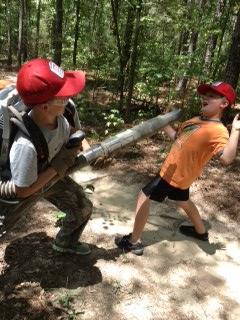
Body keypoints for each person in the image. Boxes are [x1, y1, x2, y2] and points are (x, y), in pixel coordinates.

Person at [115, 81, 240, 255]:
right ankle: (201, 232)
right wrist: (164, 122)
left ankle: (133, 242)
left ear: (224, 103)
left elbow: (227, 158)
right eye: (205, 94)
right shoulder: (194, 121)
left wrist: (235, 130)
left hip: (173, 176)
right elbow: (177, 138)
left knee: (144, 196)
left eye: (212, 96)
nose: (205, 98)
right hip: (179, 174)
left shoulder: (218, 131)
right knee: (183, 201)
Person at [2, 58, 93, 255]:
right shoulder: (25, 146)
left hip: (49, 174)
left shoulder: (60, 114)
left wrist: (77, 145)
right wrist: (58, 166)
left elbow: (71, 130)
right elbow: (22, 191)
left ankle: (65, 242)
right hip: (25, 185)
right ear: (44, 106)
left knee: (83, 207)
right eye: (62, 95)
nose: (68, 97)